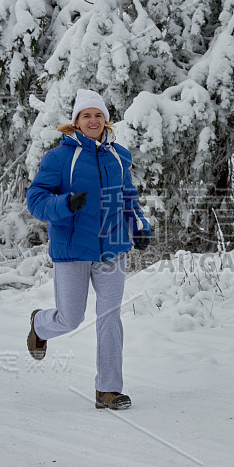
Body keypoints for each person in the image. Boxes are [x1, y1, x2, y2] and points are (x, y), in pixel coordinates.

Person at [25, 88, 151, 410]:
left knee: (110, 316)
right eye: (86, 115)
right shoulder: (59, 158)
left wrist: (139, 226)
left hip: (113, 249)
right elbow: (36, 200)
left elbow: (127, 197)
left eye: (98, 115)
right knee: (70, 318)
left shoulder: (119, 156)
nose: (93, 120)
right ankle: (40, 324)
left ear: (105, 120)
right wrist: (65, 204)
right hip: (73, 249)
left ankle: (107, 390)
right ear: (76, 122)